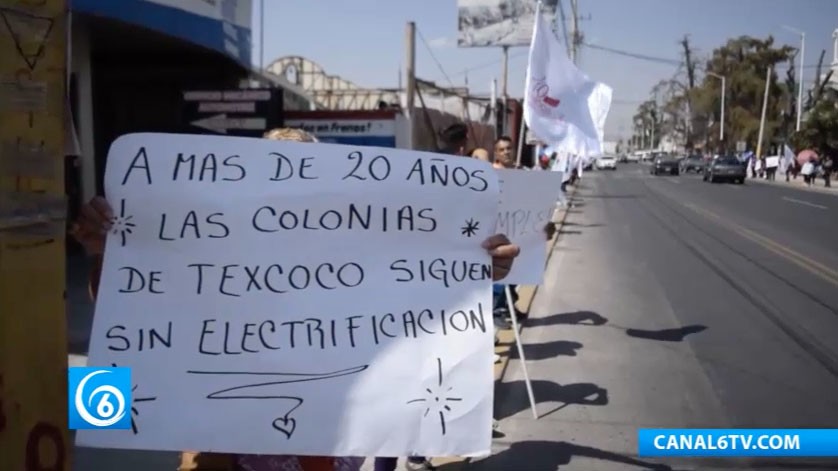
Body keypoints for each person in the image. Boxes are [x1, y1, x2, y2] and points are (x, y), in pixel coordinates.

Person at [74, 127, 520, 471]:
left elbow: (423, 310)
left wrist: (475, 272)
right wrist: (108, 255)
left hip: (334, 449)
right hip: (224, 454)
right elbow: (126, 320)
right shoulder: (212, 260)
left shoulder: (357, 262)